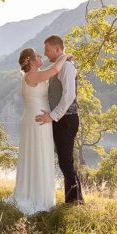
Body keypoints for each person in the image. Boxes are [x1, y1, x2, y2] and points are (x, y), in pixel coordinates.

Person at [8, 46, 70, 215]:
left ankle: (37, 193)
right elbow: (55, 69)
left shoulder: (32, 75)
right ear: (32, 61)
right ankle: (37, 197)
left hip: (37, 117)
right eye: (37, 55)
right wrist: (65, 55)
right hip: (38, 119)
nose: (40, 55)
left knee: (39, 153)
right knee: (39, 153)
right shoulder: (32, 76)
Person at [35, 34, 83, 204]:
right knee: (65, 161)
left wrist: (53, 116)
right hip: (61, 120)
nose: (45, 53)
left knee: (65, 162)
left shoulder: (67, 67)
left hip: (67, 119)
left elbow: (69, 95)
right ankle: (76, 199)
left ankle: (74, 202)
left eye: (47, 50)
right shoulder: (59, 65)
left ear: (57, 49)